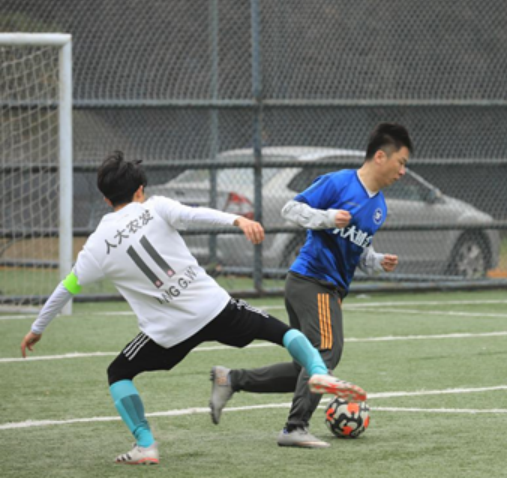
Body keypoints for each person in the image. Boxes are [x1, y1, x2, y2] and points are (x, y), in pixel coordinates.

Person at [19, 151, 366, 465]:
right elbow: (197, 214)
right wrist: (238, 221)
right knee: (282, 332)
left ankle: (145, 444)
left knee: (118, 373)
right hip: (214, 308)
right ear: (140, 190)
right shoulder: (156, 207)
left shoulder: (96, 246)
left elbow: (66, 289)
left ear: (106, 199)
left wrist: (37, 328)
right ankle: (317, 369)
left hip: (167, 332)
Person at [209, 122, 412, 448]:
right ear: (380, 156)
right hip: (313, 281)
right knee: (326, 353)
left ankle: (230, 379)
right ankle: (295, 428)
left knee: (304, 366)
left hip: (322, 287)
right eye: (401, 163)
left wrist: (377, 261)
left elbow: (359, 253)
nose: (403, 171)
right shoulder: (339, 182)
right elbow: (291, 209)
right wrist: (326, 218)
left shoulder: (380, 207)